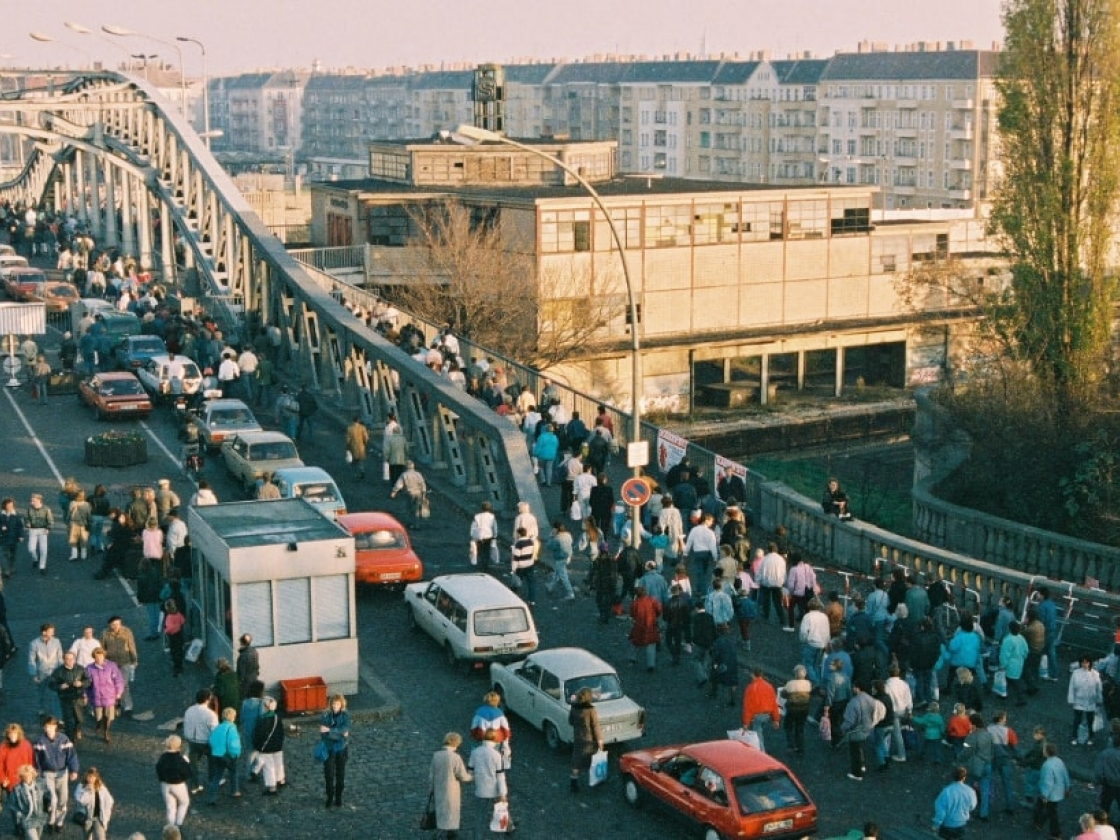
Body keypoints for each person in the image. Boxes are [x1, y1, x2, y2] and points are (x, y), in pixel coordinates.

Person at [32, 717, 78, 834]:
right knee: (53, 799)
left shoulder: (64, 739)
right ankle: (51, 821)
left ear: (55, 727)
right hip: (48, 774)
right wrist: (38, 771)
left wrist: (74, 770)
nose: (49, 729)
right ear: (44, 727)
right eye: (47, 726)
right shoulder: (40, 741)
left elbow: (71, 756)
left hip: (62, 773)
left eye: (51, 726)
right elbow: (36, 759)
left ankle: (59, 822)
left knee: (63, 800)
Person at [430, 732, 472, 838]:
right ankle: (448, 833)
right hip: (451, 789)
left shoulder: (436, 755)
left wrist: (431, 789)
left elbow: (431, 775)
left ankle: (443, 831)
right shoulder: (455, 757)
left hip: (439, 788)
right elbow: (463, 776)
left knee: (441, 810)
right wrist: (471, 776)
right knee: (451, 811)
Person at [469, 730, 509, 838]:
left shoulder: (475, 752)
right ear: (495, 740)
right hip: (494, 791)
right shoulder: (497, 755)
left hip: (480, 790)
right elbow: (500, 776)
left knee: (479, 817)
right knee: (498, 817)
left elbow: (470, 772)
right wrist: (503, 794)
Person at [568, 687, 603, 793]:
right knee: (592, 760)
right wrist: (600, 740)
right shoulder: (591, 710)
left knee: (576, 760)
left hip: (578, 738)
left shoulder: (573, 708)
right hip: (590, 740)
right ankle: (595, 781)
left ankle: (574, 782)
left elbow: (570, 721)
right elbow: (595, 726)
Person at [183, 690, 218, 795]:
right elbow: (215, 730)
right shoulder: (210, 714)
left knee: (193, 764)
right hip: (206, 742)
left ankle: (195, 785)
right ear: (207, 699)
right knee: (212, 763)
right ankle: (212, 781)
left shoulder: (189, 710)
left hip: (192, 741)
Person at [84, 648, 124, 744]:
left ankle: (106, 732)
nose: (99, 659)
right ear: (94, 657)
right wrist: (85, 695)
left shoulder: (111, 666)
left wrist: (118, 692)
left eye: (101, 656)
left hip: (109, 696)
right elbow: (86, 684)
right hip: (96, 696)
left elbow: (118, 680)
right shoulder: (89, 668)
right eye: (97, 657)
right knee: (99, 716)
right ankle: (99, 723)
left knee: (108, 716)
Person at [100, 617, 137, 718]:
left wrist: (134, 660)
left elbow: (131, 645)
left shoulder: (127, 631)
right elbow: (102, 648)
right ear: (110, 625)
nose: (116, 627)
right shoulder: (105, 633)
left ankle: (128, 706)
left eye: (118, 624)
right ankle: (117, 703)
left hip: (125, 661)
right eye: (114, 625)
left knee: (124, 684)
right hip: (111, 663)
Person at [319, 694, 350, 808]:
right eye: (333, 704)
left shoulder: (345, 715)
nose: (335, 706)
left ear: (341, 704)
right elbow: (323, 733)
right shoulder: (325, 715)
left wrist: (330, 731)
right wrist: (338, 733)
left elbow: (345, 731)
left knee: (340, 774)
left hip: (341, 749)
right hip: (329, 749)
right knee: (329, 775)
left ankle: (338, 796)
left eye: (337, 704)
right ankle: (330, 796)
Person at [741, 668, 782, 753]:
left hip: (757, 715)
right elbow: (774, 703)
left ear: (753, 675)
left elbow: (748, 707)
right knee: (759, 730)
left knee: (757, 733)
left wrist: (746, 723)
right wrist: (776, 719)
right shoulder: (769, 686)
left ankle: (761, 752)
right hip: (767, 714)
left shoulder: (751, 688)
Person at [28, 623, 64, 722]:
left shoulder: (56, 641)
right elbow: (31, 660)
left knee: (55, 695)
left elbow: (60, 657)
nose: (53, 633)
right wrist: (33, 674)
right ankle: (41, 709)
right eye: (51, 631)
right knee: (41, 692)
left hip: (54, 672)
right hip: (42, 673)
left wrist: (61, 671)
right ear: (44, 632)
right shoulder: (34, 644)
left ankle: (58, 717)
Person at [1034, 742, 1071, 837]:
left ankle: (1053, 832)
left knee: (1051, 812)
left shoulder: (1046, 766)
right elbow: (1065, 774)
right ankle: (1039, 822)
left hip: (1051, 794)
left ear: (1046, 752)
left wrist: (1044, 795)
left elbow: (1047, 783)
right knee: (1050, 809)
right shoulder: (1059, 761)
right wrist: (1067, 787)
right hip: (1059, 791)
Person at [206, 707, 241, 805]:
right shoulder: (232, 728)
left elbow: (211, 740)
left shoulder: (218, 727)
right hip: (228, 755)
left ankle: (212, 797)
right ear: (233, 717)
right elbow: (234, 744)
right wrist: (236, 754)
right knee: (233, 772)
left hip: (217, 755)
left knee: (217, 775)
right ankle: (235, 791)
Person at [156, 735, 191, 830]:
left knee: (170, 806)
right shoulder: (179, 759)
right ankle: (178, 823)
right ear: (178, 746)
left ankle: (170, 826)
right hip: (178, 784)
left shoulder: (163, 757)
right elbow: (186, 772)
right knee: (184, 802)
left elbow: (158, 768)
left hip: (165, 785)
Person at [931, 765, 978, 838]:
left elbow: (941, 811)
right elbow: (972, 806)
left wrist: (936, 825)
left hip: (947, 826)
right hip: (962, 825)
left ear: (952, 776)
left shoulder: (946, 791)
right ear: (964, 777)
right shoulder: (970, 791)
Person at [49, 651, 86, 742]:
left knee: (80, 719)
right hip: (65, 698)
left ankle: (78, 728)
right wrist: (60, 687)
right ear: (64, 660)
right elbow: (51, 684)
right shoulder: (58, 671)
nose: (69, 661)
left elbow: (88, 680)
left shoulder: (80, 669)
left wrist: (81, 683)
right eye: (67, 659)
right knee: (69, 721)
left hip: (78, 698)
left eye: (71, 659)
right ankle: (70, 740)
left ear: (74, 659)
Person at [252, 697, 286, 795]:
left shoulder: (262, 719)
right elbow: (281, 732)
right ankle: (281, 779)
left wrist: (257, 745)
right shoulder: (277, 717)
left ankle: (272, 788)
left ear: (265, 706)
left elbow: (260, 734)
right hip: (278, 745)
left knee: (269, 767)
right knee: (279, 763)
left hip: (266, 747)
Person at [1069, 654, 1104, 745]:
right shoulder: (1076, 673)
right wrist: (1071, 700)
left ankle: (1091, 737)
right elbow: (1072, 687)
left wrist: (1099, 699)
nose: (1085, 664)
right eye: (1083, 662)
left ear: (1090, 663)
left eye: (1086, 662)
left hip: (1090, 701)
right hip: (1079, 701)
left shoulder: (1095, 674)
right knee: (1077, 720)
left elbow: (1098, 688)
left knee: (1090, 720)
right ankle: (1074, 736)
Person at [8, 764, 50, 840]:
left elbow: (47, 795)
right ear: (21, 777)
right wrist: (18, 813)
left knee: (37, 836)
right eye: (24, 776)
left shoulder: (40, 785)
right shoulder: (17, 789)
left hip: (40, 817)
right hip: (27, 818)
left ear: (32, 775)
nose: (26, 778)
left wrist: (49, 805)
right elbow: (12, 804)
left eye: (28, 775)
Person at [629, 585, 662, 673]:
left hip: (639, 625)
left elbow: (632, 614)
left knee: (635, 641)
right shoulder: (652, 600)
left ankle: (633, 658)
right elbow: (659, 610)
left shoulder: (635, 603)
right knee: (651, 645)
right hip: (650, 625)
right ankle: (650, 665)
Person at [73, 767, 113, 840]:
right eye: (89, 776)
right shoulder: (81, 787)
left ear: (96, 777)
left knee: (100, 838)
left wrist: (106, 815)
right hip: (86, 818)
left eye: (93, 776)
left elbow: (109, 801)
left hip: (99, 818)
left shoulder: (101, 787)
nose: (91, 778)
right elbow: (81, 801)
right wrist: (88, 792)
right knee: (86, 837)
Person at [782, 664, 813, 756]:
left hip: (792, 709)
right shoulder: (808, 684)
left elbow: (784, 694)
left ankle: (791, 746)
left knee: (788, 726)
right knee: (800, 728)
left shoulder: (790, 684)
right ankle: (800, 749)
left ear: (795, 674)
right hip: (804, 709)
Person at [544, 521, 576, 601]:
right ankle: (551, 586)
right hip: (568, 557)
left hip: (560, 558)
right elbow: (571, 542)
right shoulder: (568, 535)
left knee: (564, 576)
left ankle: (570, 593)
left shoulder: (556, 538)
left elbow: (548, 546)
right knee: (558, 572)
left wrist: (551, 536)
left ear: (555, 529)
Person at [389, 461, 428, 529]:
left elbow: (399, 484)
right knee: (417, 509)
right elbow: (423, 484)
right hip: (418, 493)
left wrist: (394, 492)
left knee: (409, 509)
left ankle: (410, 523)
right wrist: (424, 493)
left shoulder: (404, 474)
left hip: (409, 493)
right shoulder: (418, 474)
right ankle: (417, 524)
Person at [25, 494, 53, 575]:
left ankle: (42, 567)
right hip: (33, 530)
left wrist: (48, 528)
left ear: (39, 500)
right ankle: (35, 559)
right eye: (31, 500)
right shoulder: (29, 509)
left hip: (43, 530)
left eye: (33, 501)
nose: (31, 502)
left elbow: (50, 520)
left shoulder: (46, 509)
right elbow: (26, 518)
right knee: (31, 548)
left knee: (43, 550)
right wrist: (27, 524)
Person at [0, 497, 25, 579]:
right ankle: (6, 570)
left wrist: (21, 536)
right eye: (8, 505)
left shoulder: (16, 516)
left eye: (11, 505)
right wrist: (1, 527)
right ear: (5, 506)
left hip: (13, 538)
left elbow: (20, 527)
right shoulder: (1, 515)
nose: (10, 507)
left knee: (12, 554)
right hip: (3, 538)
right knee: (4, 555)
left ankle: (11, 567)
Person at [163, 601, 186, 677]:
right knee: (179, 650)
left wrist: (166, 631)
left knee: (174, 651)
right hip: (179, 634)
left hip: (172, 636)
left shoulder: (169, 617)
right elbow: (183, 621)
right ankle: (180, 666)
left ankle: (176, 668)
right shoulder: (178, 614)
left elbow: (170, 627)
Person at [236, 635, 260, 702]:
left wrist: (239, 681)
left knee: (244, 699)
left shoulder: (243, 655)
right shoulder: (255, 652)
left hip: (246, 682)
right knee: (253, 698)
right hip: (254, 677)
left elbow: (241, 672)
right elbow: (257, 666)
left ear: (242, 643)